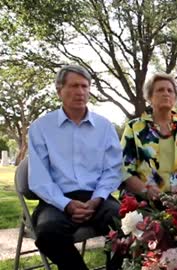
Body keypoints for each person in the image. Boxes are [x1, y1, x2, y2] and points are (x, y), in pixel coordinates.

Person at [28, 65, 122, 270]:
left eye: (84, 86)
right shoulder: (41, 127)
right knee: (48, 234)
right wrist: (67, 204)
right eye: (73, 86)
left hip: (97, 198)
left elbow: (113, 170)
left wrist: (96, 200)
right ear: (59, 90)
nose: (80, 92)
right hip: (56, 200)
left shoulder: (105, 127)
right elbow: (39, 178)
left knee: (130, 224)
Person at [120, 73, 177, 201]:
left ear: (175, 97)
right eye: (160, 90)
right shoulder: (134, 128)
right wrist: (145, 190)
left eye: (170, 90)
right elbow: (124, 169)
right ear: (150, 97)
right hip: (143, 203)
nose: (166, 93)